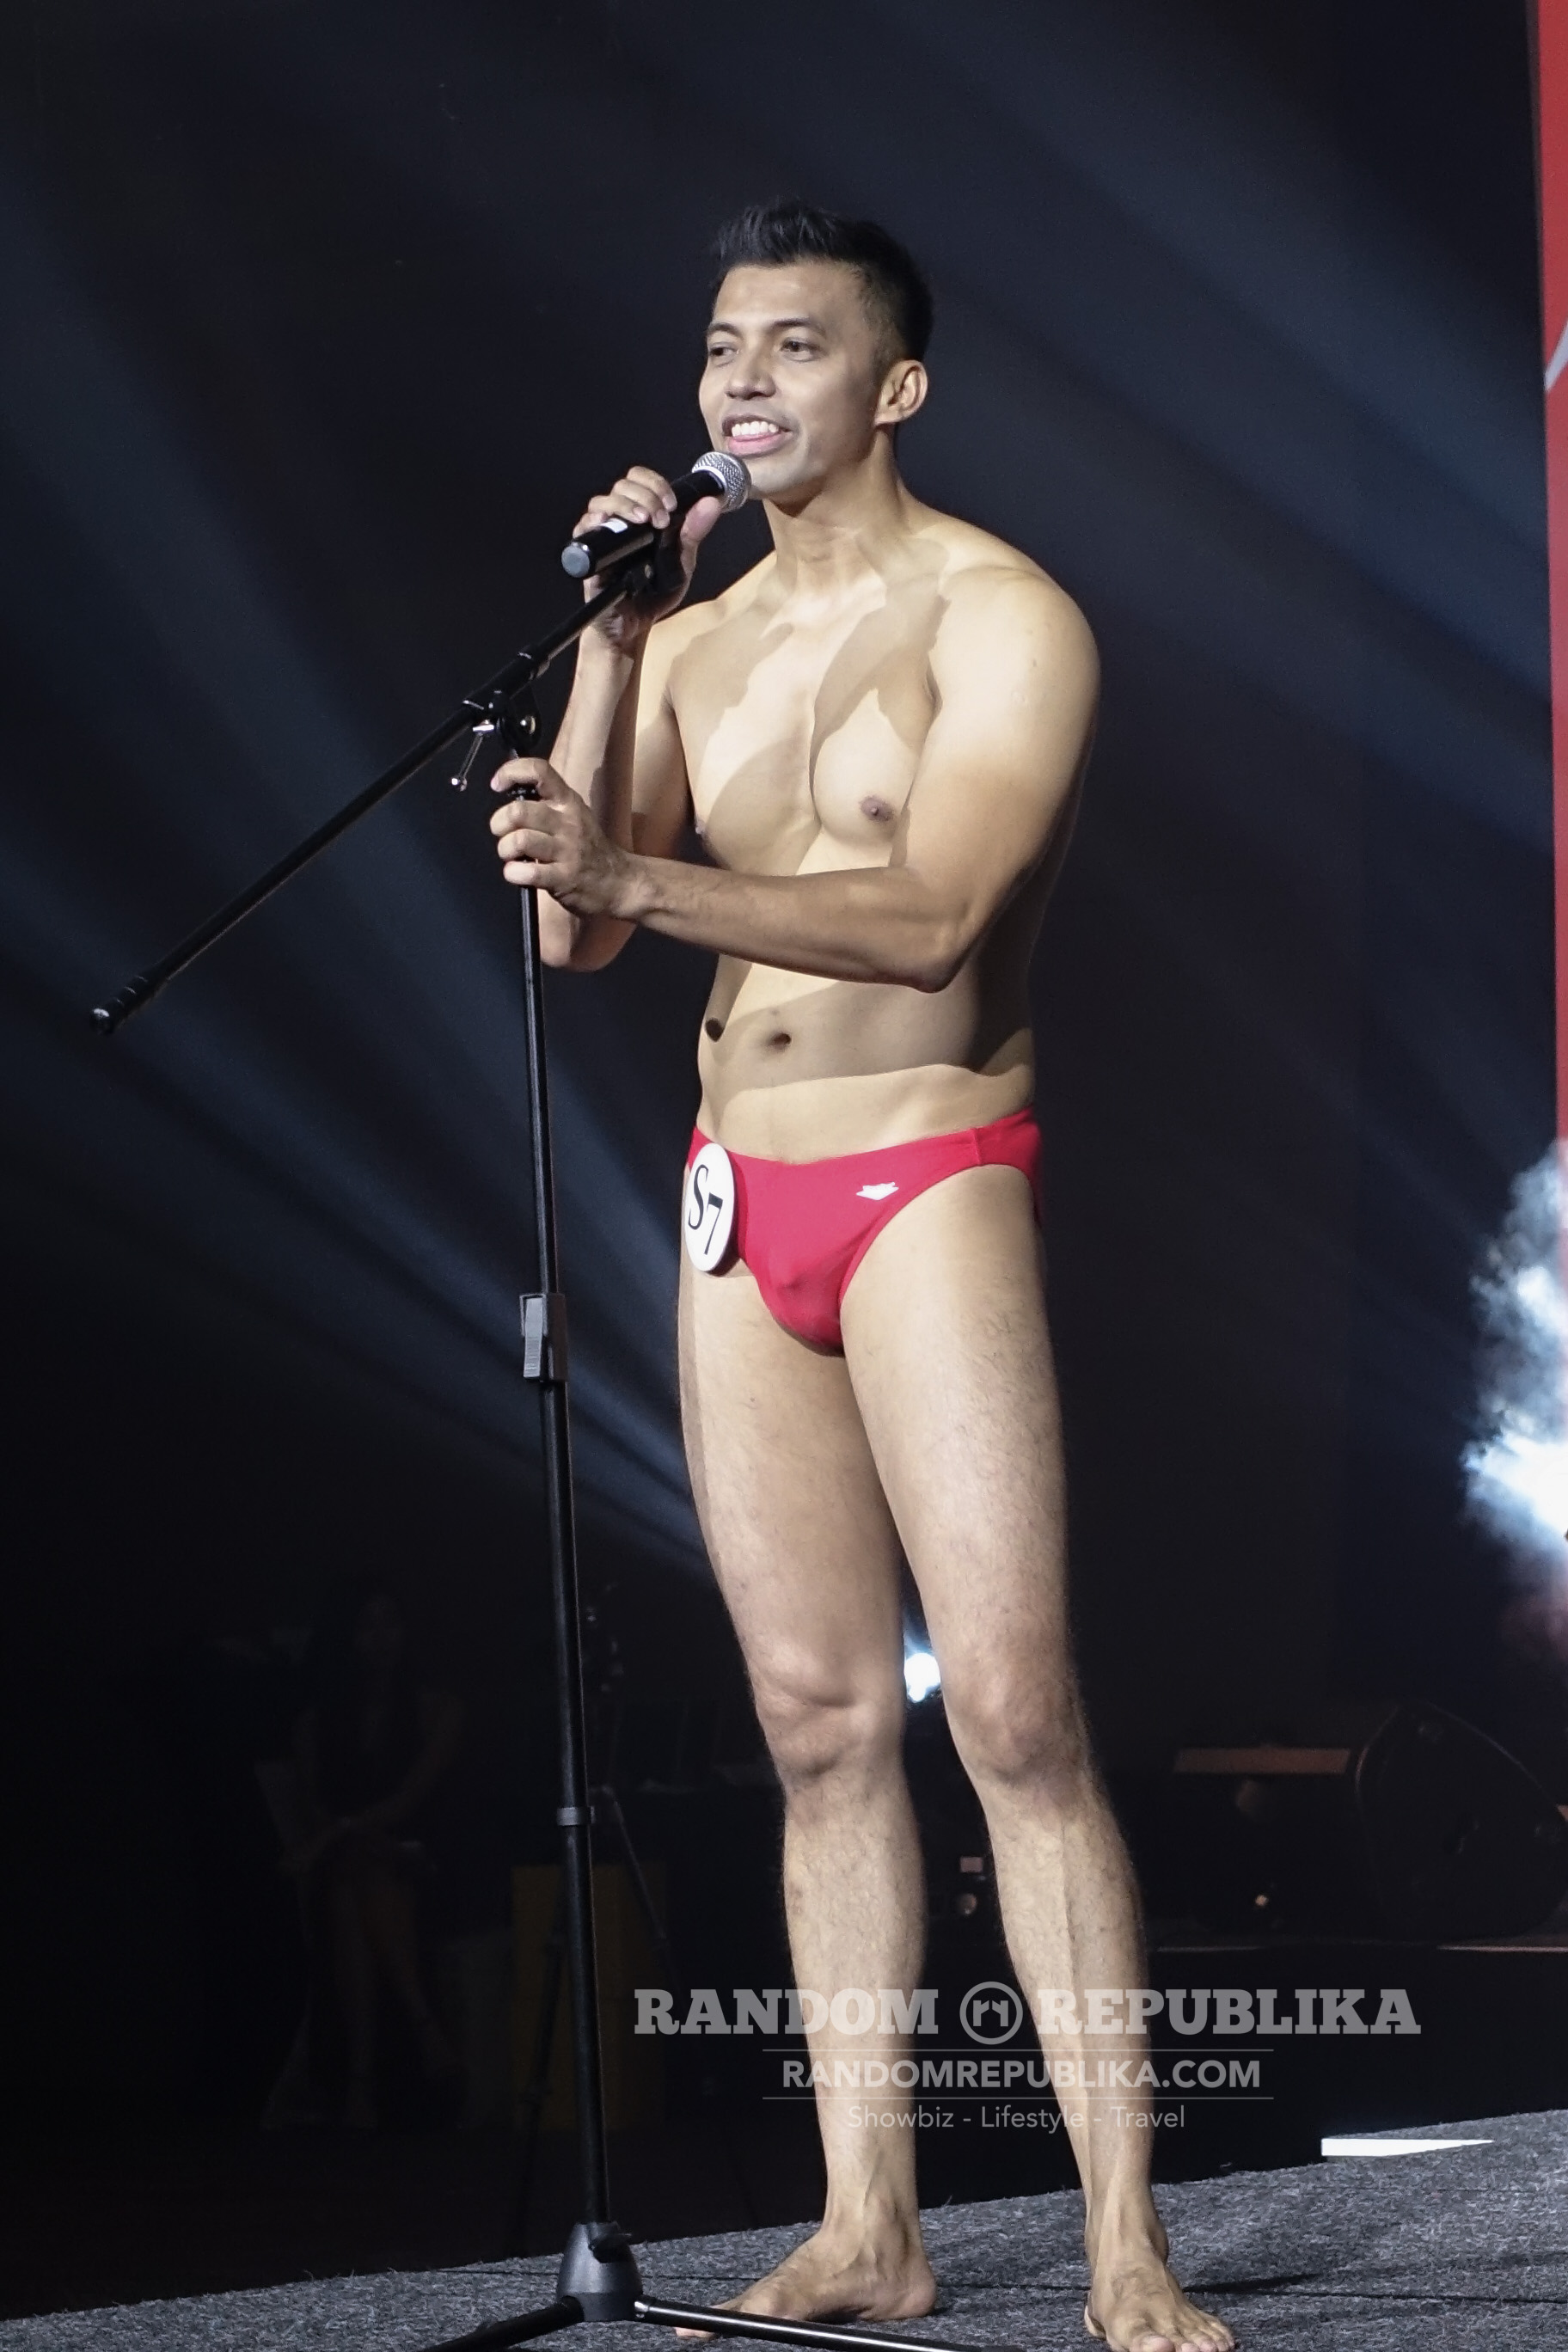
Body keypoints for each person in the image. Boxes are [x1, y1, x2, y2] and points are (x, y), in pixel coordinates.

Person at [489, 202, 1231, 2352]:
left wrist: (631, 872)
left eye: (793, 345)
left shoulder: (1003, 614)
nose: (742, 379)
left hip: (928, 1173)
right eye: (722, 345)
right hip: (743, 1197)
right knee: (818, 1729)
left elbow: (931, 919)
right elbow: (574, 930)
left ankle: (1122, 2246)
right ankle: (868, 2225)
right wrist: (616, 638)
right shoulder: (693, 636)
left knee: (1011, 1710)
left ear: (892, 385)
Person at [286, 1581, 464, 2128]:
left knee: (358, 1878)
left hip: (423, 1860)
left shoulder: (439, 1709)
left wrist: (337, 1835)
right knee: (353, 1884)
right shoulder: (315, 1723)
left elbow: (411, 1798)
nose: (382, 1637)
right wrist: (340, 1836)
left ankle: (360, 2082)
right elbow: (314, 1807)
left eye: (391, 1621)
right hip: (352, 1865)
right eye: (366, 1625)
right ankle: (423, 2029)